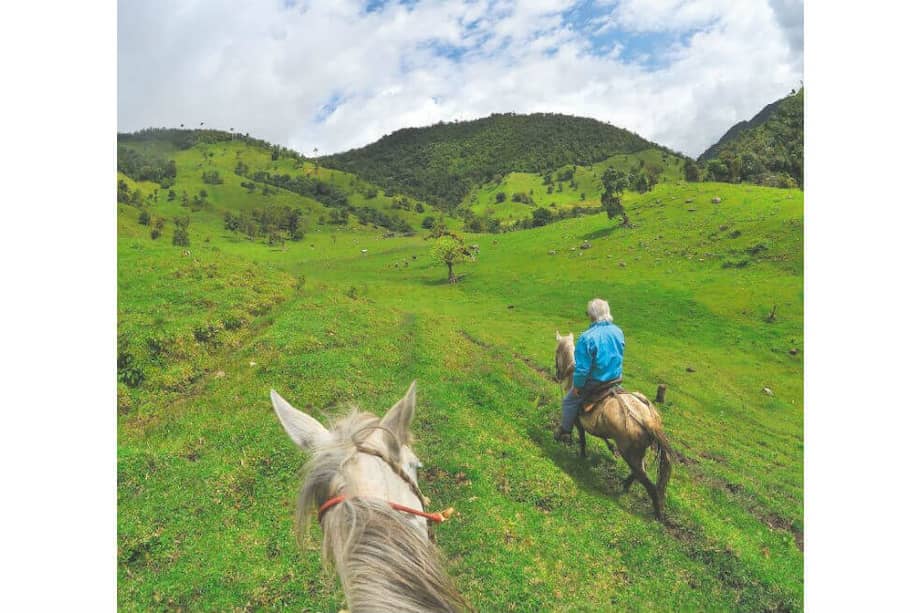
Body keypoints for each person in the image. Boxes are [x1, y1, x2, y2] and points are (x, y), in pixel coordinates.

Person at [554, 298, 626, 443]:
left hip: (595, 383)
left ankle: (565, 432)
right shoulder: (618, 331)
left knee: (569, 401)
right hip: (615, 380)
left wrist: (578, 387)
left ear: (592, 316)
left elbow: (582, 370)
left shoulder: (587, 338)